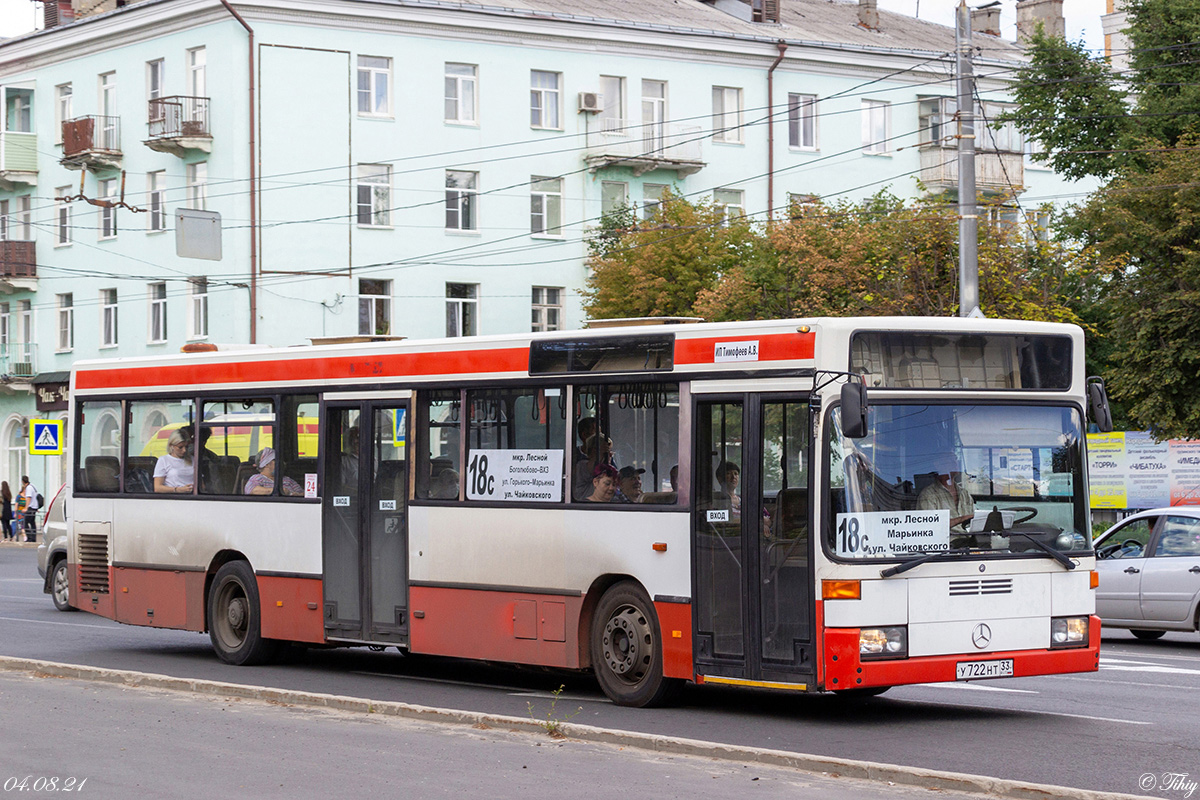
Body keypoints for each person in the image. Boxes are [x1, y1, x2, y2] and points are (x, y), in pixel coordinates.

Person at [917, 455, 976, 542]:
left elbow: (975, 519)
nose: (955, 463)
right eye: (949, 460)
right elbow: (929, 527)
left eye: (955, 459)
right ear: (937, 465)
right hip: (945, 545)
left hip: (969, 543)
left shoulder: (964, 493)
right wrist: (962, 519)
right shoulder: (928, 495)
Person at [573, 431, 614, 500]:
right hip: (584, 502)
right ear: (594, 450)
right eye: (605, 453)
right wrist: (600, 455)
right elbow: (592, 471)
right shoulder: (582, 465)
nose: (609, 456)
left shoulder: (608, 467)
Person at [154, 430, 195, 494]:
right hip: (174, 497)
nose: (184, 450)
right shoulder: (164, 460)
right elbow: (157, 487)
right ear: (171, 446)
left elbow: (202, 484)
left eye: (186, 447)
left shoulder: (193, 460)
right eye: (180, 447)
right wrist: (177, 490)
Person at [19, 475, 38, 541]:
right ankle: (33, 538)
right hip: (35, 507)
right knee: (32, 523)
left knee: (25, 522)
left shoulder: (29, 488)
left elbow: (29, 498)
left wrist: (26, 508)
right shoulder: (33, 486)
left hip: (31, 507)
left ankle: (30, 537)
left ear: (23, 481)